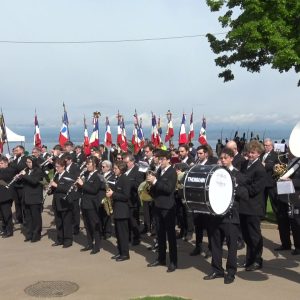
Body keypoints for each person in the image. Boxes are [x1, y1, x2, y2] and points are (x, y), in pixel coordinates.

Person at [204, 148, 248, 284]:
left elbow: (245, 195)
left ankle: (231, 272)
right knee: (215, 244)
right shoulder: (215, 173)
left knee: (231, 246)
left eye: (225, 158)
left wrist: (234, 186)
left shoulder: (238, 175)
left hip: (230, 216)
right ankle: (217, 269)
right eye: (221, 158)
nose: (223, 160)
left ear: (231, 159)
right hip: (216, 215)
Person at [146, 150, 177, 272]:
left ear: (168, 160)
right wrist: (150, 187)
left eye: (163, 159)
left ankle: (174, 261)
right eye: (159, 159)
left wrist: (155, 181)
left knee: (171, 235)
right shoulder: (159, 171)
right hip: (157, 206)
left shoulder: (172, 172)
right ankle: (161, 258)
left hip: (168, 207)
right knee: (160, 234)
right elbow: (157, 188)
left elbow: (169, 189)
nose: (160, 161)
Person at [239, 140, 266, 271]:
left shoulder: (260, 169)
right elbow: (240, 179)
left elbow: (254, 189)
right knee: (246, 235)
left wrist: (240, 187)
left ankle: (257, 260)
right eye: (249, 152)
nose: (250, 154)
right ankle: (249, 259)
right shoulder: (244, 164)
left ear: (259, 154)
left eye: (253, 153)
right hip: (243, 205)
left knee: (254, 235)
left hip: (254, 207)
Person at [77, 156, 104, 254]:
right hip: (84, 203)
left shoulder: (98, 176)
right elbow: (82, 188)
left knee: (94, 225)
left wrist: (83, 184)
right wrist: (78, 185)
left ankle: (97, 246)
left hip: (92, 204)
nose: (87, 165)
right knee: (87, 225)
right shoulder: (86, 173)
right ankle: (89, 244)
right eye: (86, 163)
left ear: (95, 165)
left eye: (89, 164)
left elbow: (94, 190)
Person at [276, 151, 300, 255]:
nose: (288, 152)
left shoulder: (298, 162)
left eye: (290, 150)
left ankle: (298, 247)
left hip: (295, 195)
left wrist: (291, 181)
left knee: (295, 222)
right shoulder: (286, 162)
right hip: (283, 194)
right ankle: (285, 243)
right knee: (282, 220)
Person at [107, 160, 131, 261]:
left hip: (122, 211)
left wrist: (113, 194)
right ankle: (120, 251)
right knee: (118, 233)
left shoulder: (125, 179)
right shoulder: (119, 178)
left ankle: (125, 254)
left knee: (123, 234)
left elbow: (126, 196)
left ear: (121, 169)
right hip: (117, 209)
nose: (114, 170)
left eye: (115, 168)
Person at [49, 158, 74, 248]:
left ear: (63, 166)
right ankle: (60, 239)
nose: (56, 169)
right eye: (55, 167)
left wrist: (56, 185)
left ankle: (68, 240)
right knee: (58, 222)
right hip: (56, 202)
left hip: (65, 202)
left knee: (66, 222)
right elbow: (54, 189)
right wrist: (50, 189)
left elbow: (68, 189)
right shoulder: (56, 175)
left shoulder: (69, 175)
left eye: (58, 167)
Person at [21, 156, 44, 242]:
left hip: (35, 197)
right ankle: (29, 234)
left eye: (29, 162)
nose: (28, 164)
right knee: (28, 217)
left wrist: (25, 175)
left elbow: (34, 181)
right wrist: (19, 177)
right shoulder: (26, 170)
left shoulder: (38, 171)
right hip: (26, 197)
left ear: (34, 162)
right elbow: (24, 181)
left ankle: (36, 235)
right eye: (27, 162)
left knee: (36, 217)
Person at [123, 154, 144, 245]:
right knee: (126, 220)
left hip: (133, 200)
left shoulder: (138, 171)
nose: (125, 164)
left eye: (126, 162)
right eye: (124, 162)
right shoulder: (125, 170)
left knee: (134, 221)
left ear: (132, 162)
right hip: (124, 200)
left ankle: (136, 237)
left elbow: (138, 185)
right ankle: (127, 237)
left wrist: (128, 182)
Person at [260, 138, 279, 216]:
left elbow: (277, 166)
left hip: (271, 182)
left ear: (271, 146)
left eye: (267, 145)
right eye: (264, 145)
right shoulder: (262, 155)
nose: (265, 147)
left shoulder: (276, 155)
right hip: (262, 181)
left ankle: (279, 218)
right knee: (262, 200)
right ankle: (262, 215)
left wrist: (266, 165)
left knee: (274, 201)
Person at [10, 145, 27, 224]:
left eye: (17, 151)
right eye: (15, 151)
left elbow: (23, 168)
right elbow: (12, 168)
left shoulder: (26, 159)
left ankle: (25, 218)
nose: (15, 152)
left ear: (22, 151)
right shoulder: (15, 159)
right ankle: (19, 217)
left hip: (22, 184)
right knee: (17, 202)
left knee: (23, 202)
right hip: (15, 184)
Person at [99, 160, 115, 239]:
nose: (101, 168)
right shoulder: (100, 174)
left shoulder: (112, 175)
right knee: (101, 215)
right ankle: (101, 231)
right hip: (100, 197)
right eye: (101, 166)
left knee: (107, 215)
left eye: (103, 167)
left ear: (108, 168)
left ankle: (107, 232)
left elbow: (112, 185)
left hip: (108, 197)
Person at [0, 156, 15, 237]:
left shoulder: (9, 170)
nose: (0, 165)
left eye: (1, 163)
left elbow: (3, 176)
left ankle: (9, 231)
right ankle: (4, 229)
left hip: (6, 196)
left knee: (7, 214)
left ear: (6, 163)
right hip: (1, 196)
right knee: (2, 215)